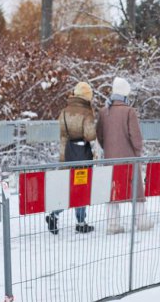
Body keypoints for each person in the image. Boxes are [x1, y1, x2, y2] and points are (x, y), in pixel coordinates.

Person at [96, 77, 152, 234]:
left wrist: (108, 148)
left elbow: (99, 135)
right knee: (136, 190)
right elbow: (136, 137)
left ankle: (113, 224)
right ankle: (142, 221)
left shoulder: (104, 111)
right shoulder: (129, 111)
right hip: (129, 157)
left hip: (110, 158)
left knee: (112, 190)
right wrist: (137, 151)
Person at [46, 82, 96, 235]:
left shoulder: (64, 111)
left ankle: (54, 214)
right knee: (81, 188)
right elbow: (90, 135)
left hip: (68, 154)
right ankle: (81, 222)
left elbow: (62, 135)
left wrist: (63, 157)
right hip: (82, 156)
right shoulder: (87, 112)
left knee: (68, 189)